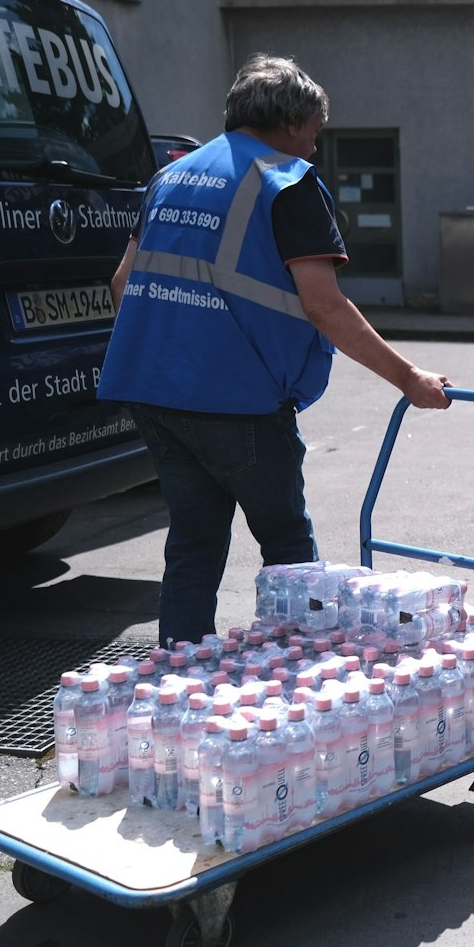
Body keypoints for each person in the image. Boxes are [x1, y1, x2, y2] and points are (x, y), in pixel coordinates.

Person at [99, 54, 452, 648]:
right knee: (288, 551)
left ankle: (182, 681)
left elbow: (120, 285)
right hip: (238, 400)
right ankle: (298, 693)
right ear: (290, 120)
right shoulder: (286, 182)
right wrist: (409, 377)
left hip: (153, 393)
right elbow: (325, 306)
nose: (316, 143)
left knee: (192, 544)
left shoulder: (173, 176)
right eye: (315, 126)